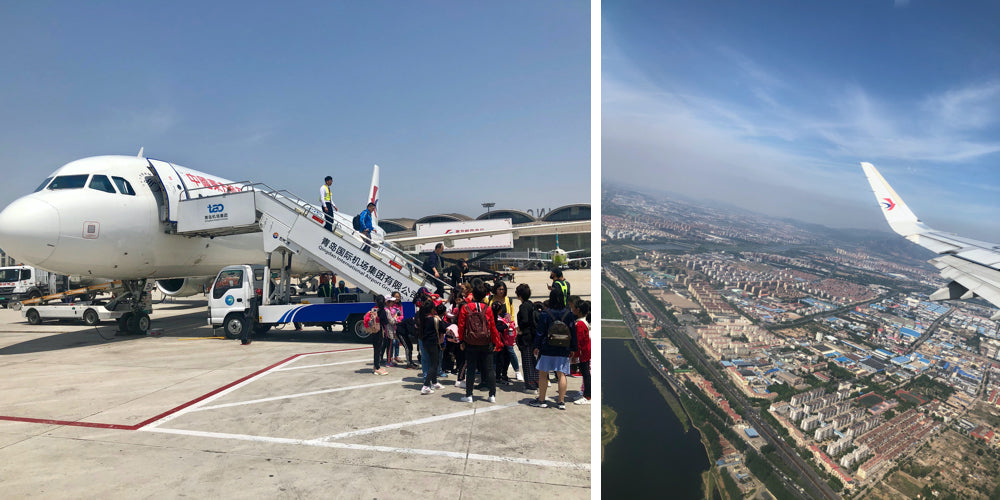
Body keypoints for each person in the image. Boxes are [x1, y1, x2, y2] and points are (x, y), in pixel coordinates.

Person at [529, 289, 577, 410]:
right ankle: (561, 402)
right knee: (562, 374)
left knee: (543, 374)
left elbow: (540, 332)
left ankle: (542, 400)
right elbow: (573, 332)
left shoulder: (545, 313)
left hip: (547, 348)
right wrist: (573, 347)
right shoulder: (569, 314)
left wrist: (536, 346)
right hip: (563, 348)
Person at [458, 283, 502, 403]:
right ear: (484, 296)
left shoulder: (465, 308)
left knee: (471, 368)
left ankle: (469, 395)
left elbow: (461, 326)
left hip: (470, 341)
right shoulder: (487, 309)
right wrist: (495, 342)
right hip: (486, 342)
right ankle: (492, 395)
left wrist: (461, 340)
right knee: (489, 369)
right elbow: (492, 327)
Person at [487, 282, 520, 381]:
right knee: (495, 353)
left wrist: (512, 327)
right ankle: (494, 374)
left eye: (503, 289)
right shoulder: (489, 299)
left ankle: (516, 370)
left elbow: (512, 315)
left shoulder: (508, 300)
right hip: (494, 330)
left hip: (506, 330)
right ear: (495, 289)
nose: (501, 291)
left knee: (509, 350)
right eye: (499, 289)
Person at [418, 302, 446, 394]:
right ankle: (426, 386)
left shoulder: (422, 318)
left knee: (433, 362)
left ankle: (434, 382)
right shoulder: (433, 319)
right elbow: (443, 328)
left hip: (426, 343)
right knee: (434, 364)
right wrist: (439, 320)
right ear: (431, 310)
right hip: (433, 343)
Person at [515, 284, 539, 392]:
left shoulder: (523, 306)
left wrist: (520, 329)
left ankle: (530, 385)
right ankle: (537, 381)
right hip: (533, 336)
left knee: (527, 361)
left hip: (526, 337)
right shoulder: (531, 304)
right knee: (534, 361)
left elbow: (524, 320)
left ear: (519, 295)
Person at [572, 300, 591, 405]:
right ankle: (586, 393)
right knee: (585, 373)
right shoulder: (583, 321)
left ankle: (588, 396)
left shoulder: (579, 324)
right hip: (586, 351)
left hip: (583, 352)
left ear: (578, 310)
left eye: (574, 308)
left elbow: (578, 341)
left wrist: (575, 355)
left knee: (586, 374)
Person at [370, 295, 390, 375]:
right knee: (378, 349)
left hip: (373, 331)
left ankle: (376, 366)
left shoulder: (374, 309)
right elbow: (385, 322)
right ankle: (377, 367)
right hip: (379, 331)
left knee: (376, 349)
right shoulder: (382, 311)